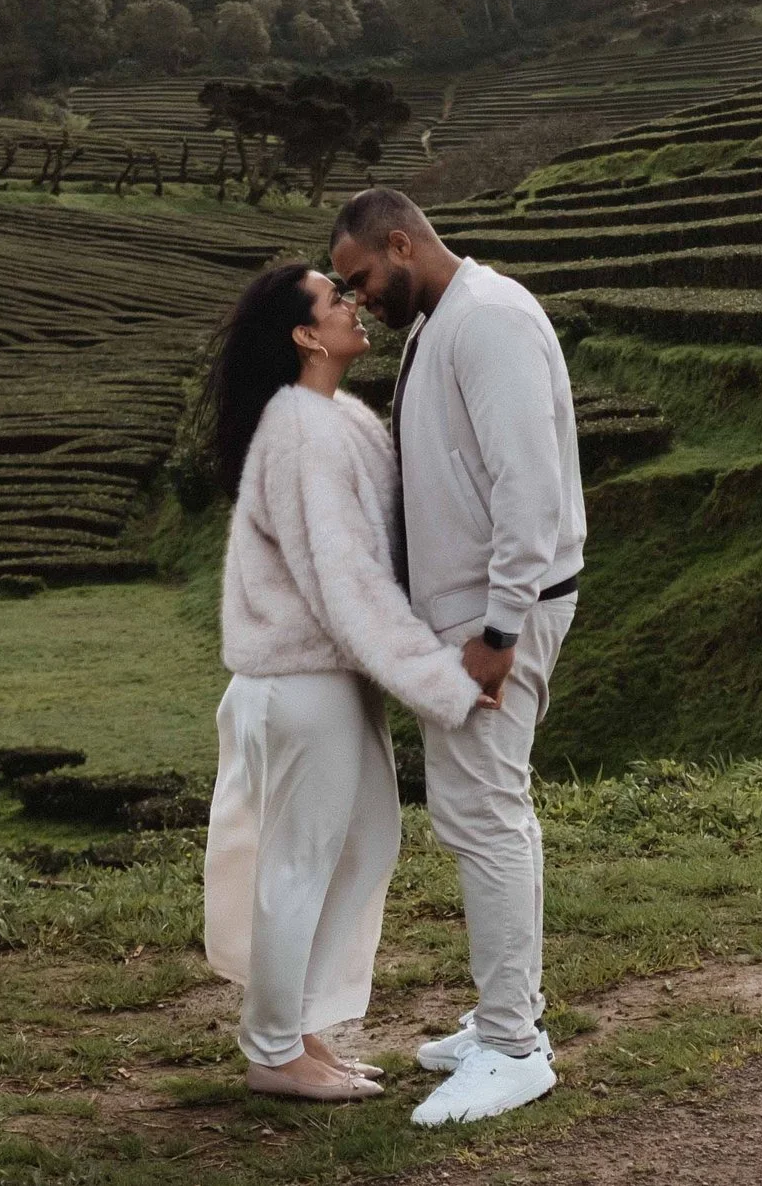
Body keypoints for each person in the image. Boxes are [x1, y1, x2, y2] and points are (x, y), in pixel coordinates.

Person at [329, 187, 587, 1128]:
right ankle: (500, 1021)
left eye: (362, 278)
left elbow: (533, 491)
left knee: (486, 813)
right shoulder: (447, 321)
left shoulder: (489, 319)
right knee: (472, 811)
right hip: (467, 614)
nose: (359, 301)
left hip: (494, 618)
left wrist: (500, 635)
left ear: (402, 243)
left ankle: (516, 1048)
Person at [200, 261, 486, 1102]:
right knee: (302, 861)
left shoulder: (335, 421)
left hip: (328, 682)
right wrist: (444, 679)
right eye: (335, 299)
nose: (353, 305)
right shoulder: (303, 432)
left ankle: (300, 1032)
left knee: (362, 843)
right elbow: (348, 582)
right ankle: (273, 1052)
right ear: (304, 334)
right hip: (302, 684)